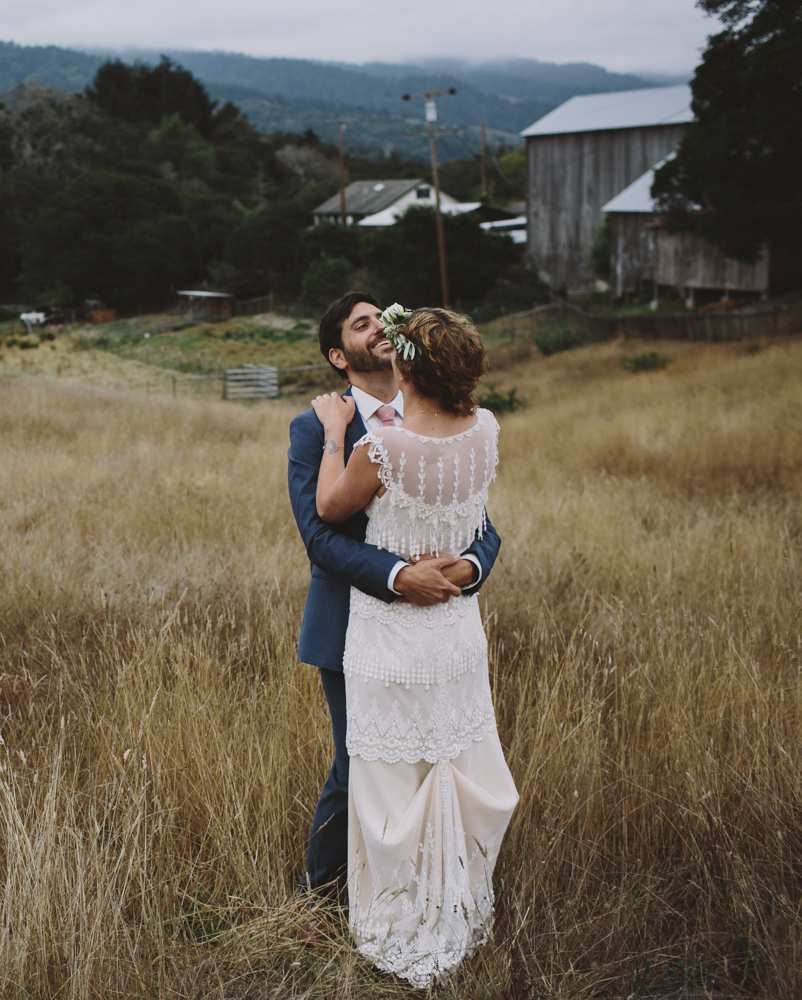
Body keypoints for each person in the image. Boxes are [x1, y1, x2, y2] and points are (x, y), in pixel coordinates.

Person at [309, 303, 519, 987]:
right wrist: (424, 570)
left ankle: (399, 913)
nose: (378, 336)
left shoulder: (377, 446)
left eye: (385, 329)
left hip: (396, 641)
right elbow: (318, 544)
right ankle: (449, 903)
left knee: (389, 779)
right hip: (453, 635)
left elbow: (328, 514)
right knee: (442, 763)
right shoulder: (485, 429)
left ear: (407, 363)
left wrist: (468, 564)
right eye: (361, 326)